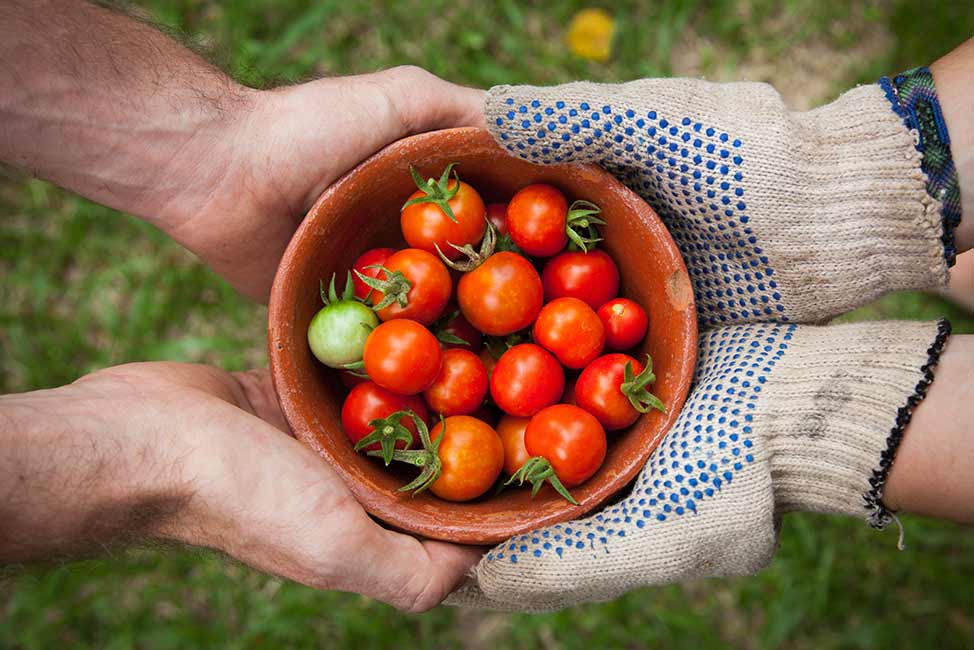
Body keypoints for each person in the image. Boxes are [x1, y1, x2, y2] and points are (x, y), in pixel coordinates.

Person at [0, 0, 970, 613]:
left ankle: (924, 234)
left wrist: (862, 177)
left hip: (556, 352)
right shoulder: (466, 343)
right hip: (554, 365)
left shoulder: (467, 316)